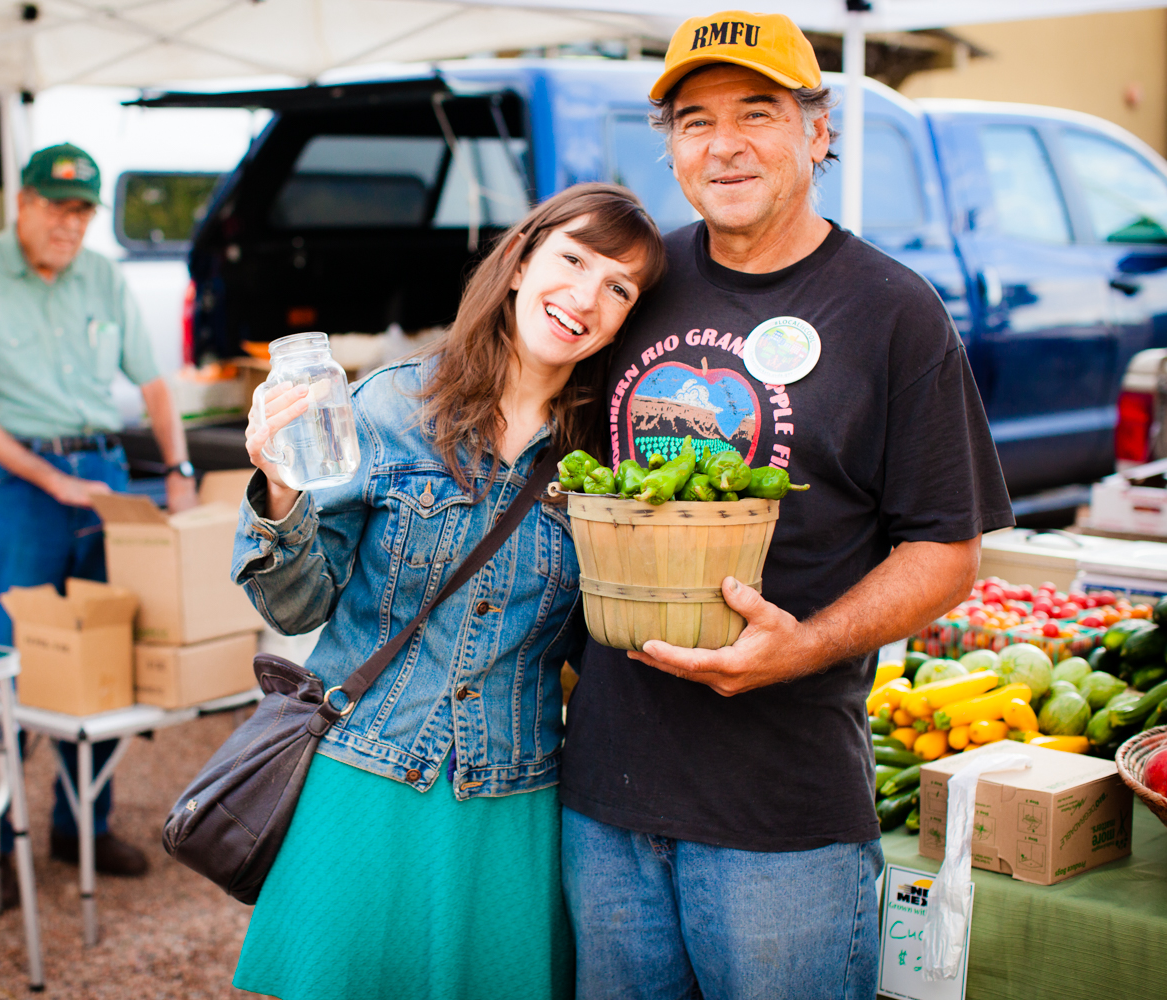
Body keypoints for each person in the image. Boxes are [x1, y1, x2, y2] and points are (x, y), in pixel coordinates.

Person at [559, 13, 1015, 1000]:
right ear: (671, 147)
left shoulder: (895, 311)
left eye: (756, 112)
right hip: (604, 804)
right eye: (693, 120)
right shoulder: (635, 285)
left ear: (818, 130)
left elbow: (945, 551)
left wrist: (800, 646)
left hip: (783, 818)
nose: (722, 145)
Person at [229, 184, 664, 1000]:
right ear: (519, 261)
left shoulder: (608, 451)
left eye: (619, 288)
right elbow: (294, 609)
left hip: (514, 799)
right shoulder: (393, 404)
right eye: (572, 259)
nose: (585, 297)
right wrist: (280, 489)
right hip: (362, 778)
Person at [0, 143, 198, 909]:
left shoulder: (103, 275)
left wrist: (178, 473)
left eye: (81, 210)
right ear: (24, 205)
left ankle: (83, 825)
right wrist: (51, 479)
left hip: (101, 479)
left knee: (105, 655)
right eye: (56, 207)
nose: (69, 224)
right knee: (5, 669)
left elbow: (153, 384)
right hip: (21, 484)